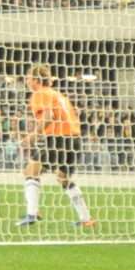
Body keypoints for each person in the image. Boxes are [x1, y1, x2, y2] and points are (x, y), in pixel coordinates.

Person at [18, 65, 94, 230]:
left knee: (30, 171)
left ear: (37, 80)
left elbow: (49, 116)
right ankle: (86, 218)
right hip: (74, 139)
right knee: (62, 177)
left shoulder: (40, 93)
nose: (27, 81)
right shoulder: (58, 95)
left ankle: (32, 213)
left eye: (28, 78)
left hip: (59, 138)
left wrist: (32, 136)